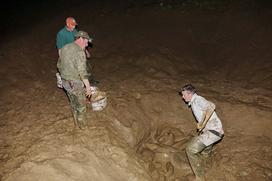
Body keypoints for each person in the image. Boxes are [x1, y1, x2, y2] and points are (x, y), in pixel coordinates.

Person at [180, 84, 224, 181]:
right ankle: (207, 162)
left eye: (183, 95)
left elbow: (211, 106)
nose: (182, 97)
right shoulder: (195, 101)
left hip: (213, 132)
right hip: (214, 131)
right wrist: (202, 123)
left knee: (190, 149)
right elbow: (205, 111)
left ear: (190, 94)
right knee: (205, 149)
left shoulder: (197, 100)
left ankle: (200, 177)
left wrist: (203, 123)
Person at [57, 31, 94, 129]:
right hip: (75, 83)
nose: (87, 44)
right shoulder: (79, 52)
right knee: (81, 106)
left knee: (74, 104)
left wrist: (65, 75)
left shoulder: (65, 48)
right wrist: (88, 87)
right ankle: (83, 128)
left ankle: (76, 124)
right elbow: (82, 72)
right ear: (81, 39)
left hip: (65, 82)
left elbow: (59, 65)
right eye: (86, 41)